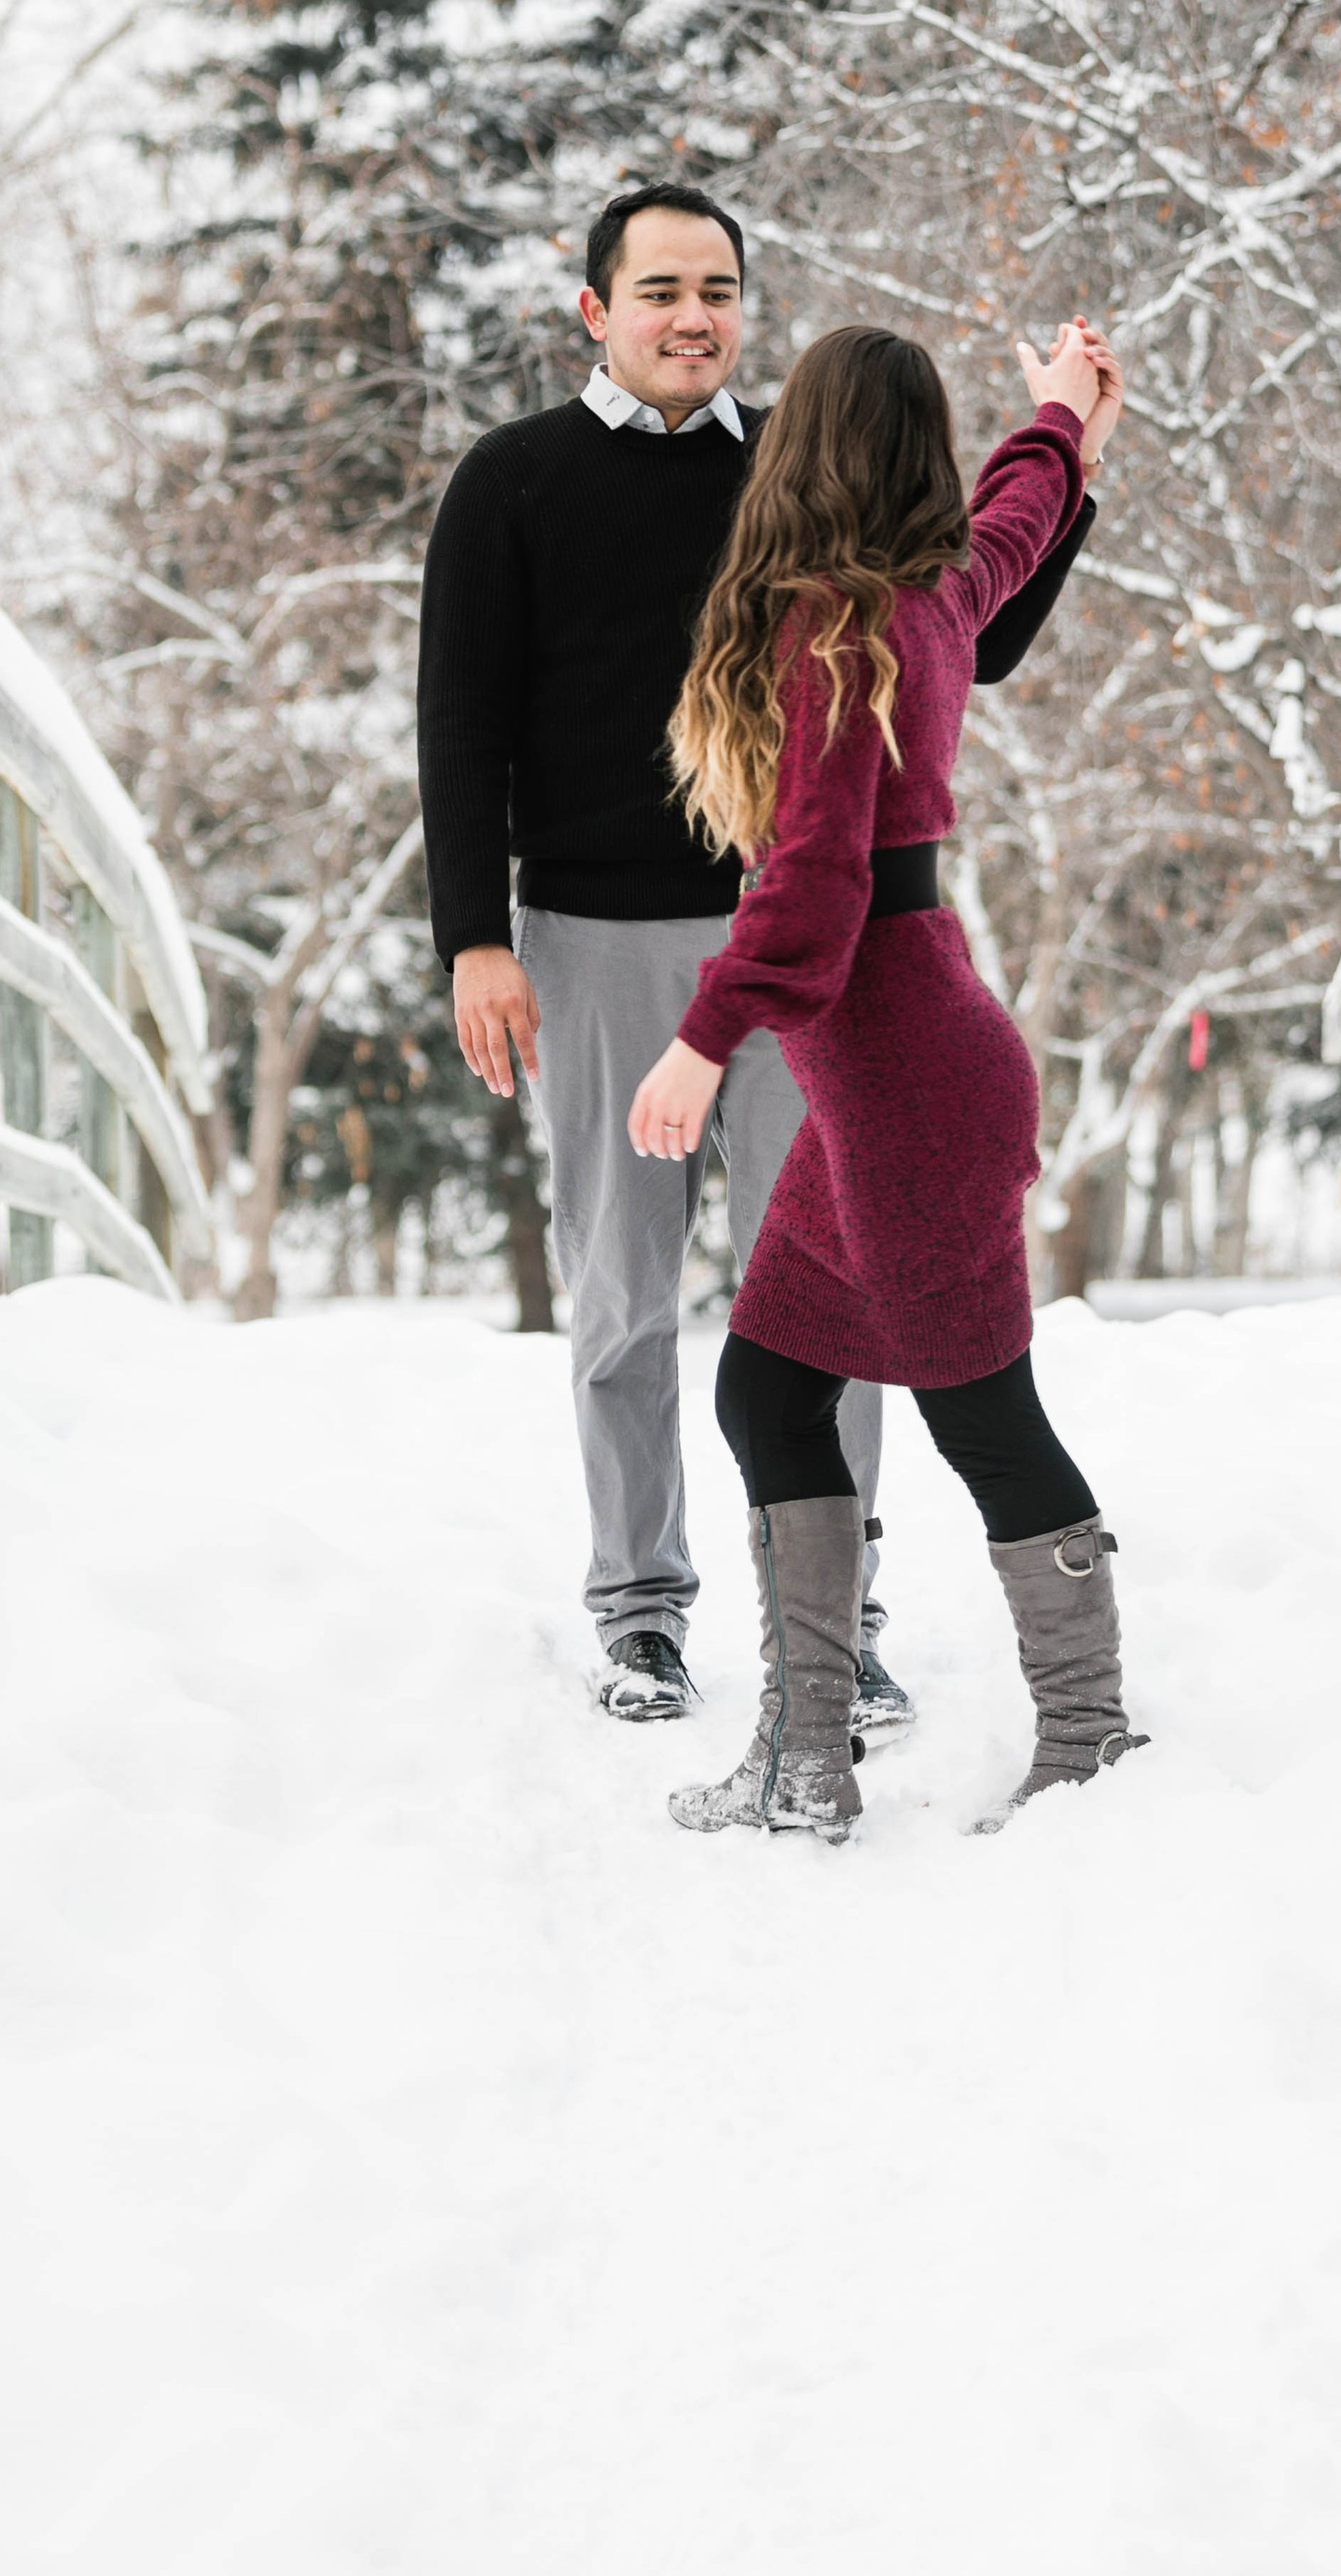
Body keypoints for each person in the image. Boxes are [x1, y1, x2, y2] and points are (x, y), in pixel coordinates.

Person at [416, 187, 1111, 1728]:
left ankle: (839, 1630)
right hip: (593, 938)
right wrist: (473, 936)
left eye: (718, 289)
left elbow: (973, 627)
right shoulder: (512, 480)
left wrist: (1071, 473)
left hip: (813, 951)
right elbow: (459, 719)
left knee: (829, 1297)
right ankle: (640, 1611)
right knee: (620, 1285)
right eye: (660, 289)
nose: (693, 316)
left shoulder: (797, 473)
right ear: (595, 309)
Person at [627, 320, 1146, 1841]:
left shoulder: (839, 631)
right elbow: (1016, 523)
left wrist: (703, 1036)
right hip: (892, 1078)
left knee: (983, 1417)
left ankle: (1088, 1738)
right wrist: (1064, 423)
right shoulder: (923, 601)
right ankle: (807, 1756)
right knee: (769, 1386)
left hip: (911, 1082)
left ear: (799, 450)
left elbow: (815, 883)